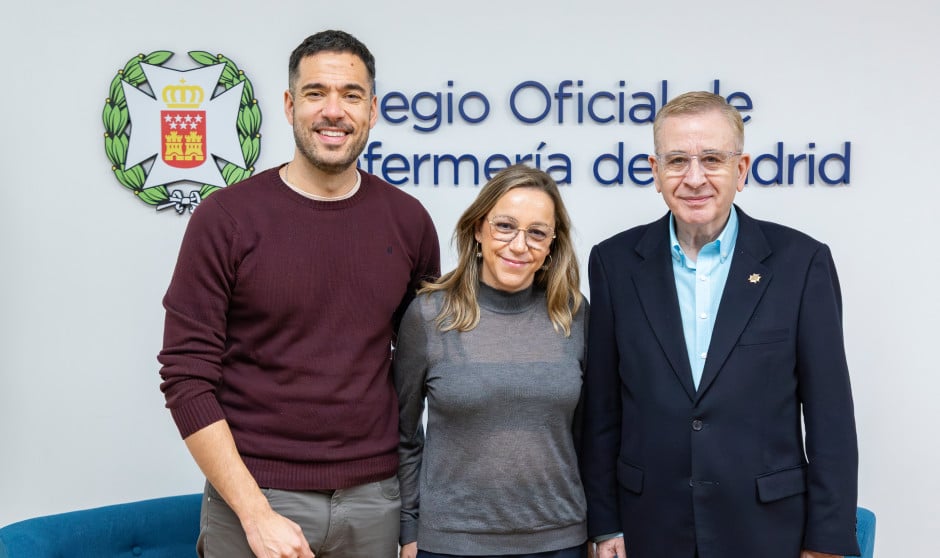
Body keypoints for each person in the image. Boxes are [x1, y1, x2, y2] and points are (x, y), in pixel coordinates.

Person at [158, 30, 440, 558]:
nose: (333, 110)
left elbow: (419, 371)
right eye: (315, 93)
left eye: (351, 95)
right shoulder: (225, 219)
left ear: (373, 110)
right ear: (289, 105)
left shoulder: (409, 223)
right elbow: (185, 377)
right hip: (256, 498)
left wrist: (409, 516)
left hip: (374, 502)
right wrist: (254, 513)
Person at [581, 91, 859, 558]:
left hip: (771, 531)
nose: (694, 178)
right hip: (647, 528)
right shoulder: (613, 263)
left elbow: (831, 416)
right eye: (676, 161)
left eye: (712, 158)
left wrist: (828, 541)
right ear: (654, 172)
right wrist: (605, 524)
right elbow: (602, 410)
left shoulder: (801, 262)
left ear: (742, 169)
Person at [394, 164, 589, 558]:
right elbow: (403, 433)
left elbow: (590, 434)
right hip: (451, 542)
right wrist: (409, 529)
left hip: (560, 540)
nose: (520, 245)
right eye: (505, 226)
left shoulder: (573, 313)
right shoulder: (431, 315)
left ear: (553, 244)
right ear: (478, 230)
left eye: (537, 232)